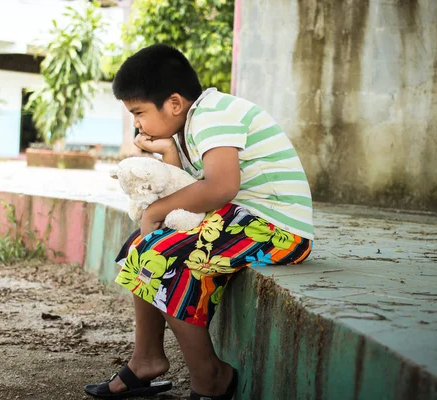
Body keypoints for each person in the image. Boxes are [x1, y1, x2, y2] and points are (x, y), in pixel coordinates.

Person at [84, 44, 314, 400]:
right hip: (241, 220)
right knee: (142, 246)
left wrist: (155, 211)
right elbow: (191, 197)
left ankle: (211, 378)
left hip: (275, 229)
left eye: (139, 112)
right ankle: (146, 359)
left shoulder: (213, 114)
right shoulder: (193, 123)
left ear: (174, 103)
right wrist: (170, 153)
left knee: (159, 250)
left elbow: (222, 187)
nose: (137, 124)